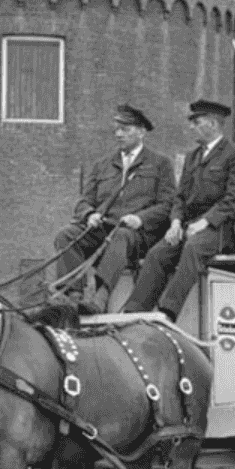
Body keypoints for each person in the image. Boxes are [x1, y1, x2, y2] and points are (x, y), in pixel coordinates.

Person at [126, 98, 235, 323]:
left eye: (196, 122)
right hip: (188, 225)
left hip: (219, 228)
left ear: (212, 124)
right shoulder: (192, 157)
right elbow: (180, 197)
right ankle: (134, 312)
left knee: (193, 248)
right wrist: (175, 222)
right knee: (158, 253)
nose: (191, 126)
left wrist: (204, 222)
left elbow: (234, 200)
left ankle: (167, 312)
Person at [51, 104, 175, 314]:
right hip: (102, 230)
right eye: (117, 129)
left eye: (125, 129)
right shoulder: (102, 165)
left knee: (121, 236)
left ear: (142, 132)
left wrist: (140, 218)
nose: (119, 134)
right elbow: (83, 201)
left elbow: (167, 205)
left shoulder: (160, 164)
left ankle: (100, 298)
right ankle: (73, 298)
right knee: (66, 235)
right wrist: (90, 214)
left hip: (137, 235)